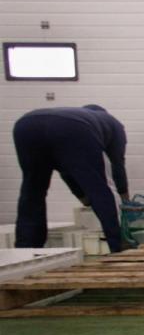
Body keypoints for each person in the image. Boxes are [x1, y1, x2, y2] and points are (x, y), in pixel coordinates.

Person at [13, 105, 129, 252]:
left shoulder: (78, 116)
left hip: (26, 125)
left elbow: (66, 168)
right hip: (73, 130)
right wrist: (125, 199)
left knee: (32, 191)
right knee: (100, 189)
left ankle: (26, 248)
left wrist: (82, 197)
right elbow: (117, 165)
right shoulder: (112, 123)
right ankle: (119, 245)